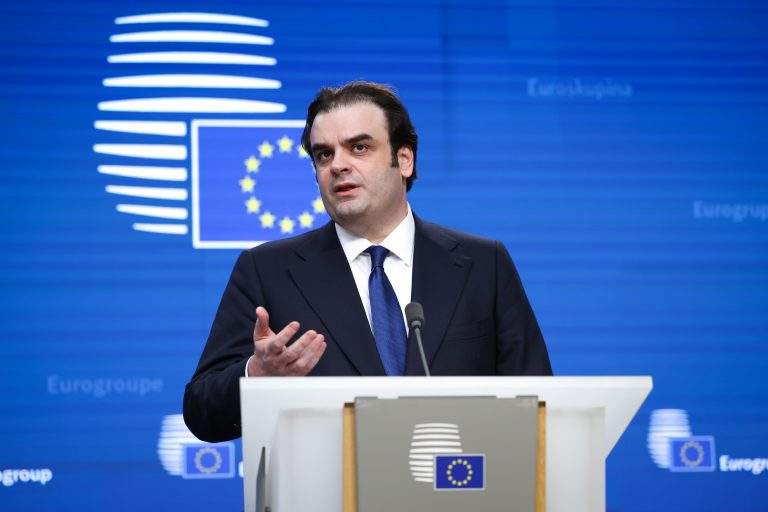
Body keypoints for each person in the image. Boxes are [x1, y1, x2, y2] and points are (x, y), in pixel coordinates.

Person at [183, 81, 552, 442]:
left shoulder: (483, 265)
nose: (337, 165)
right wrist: (257, 375)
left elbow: (539, 401)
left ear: (404, 160)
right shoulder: (267, 270)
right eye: (323, 154)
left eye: (359, 147)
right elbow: (201, 411)